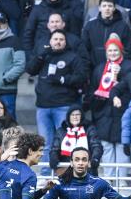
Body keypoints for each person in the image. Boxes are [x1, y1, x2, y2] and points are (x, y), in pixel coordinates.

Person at [26, 29, 87, 175]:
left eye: (61, 39)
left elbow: (81, 78)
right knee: (45, 144)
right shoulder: (44, 56)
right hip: (43, 107)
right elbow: (30, 70)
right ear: (50, 42)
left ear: (65, 42)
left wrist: (63, 79)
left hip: (63, 106)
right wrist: (40, 57)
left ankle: (67, 173)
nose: (58, 42)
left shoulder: (72, 57)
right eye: (55, 39)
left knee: (66, 142)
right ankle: (46, 174)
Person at [89, 33, 131, 185]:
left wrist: (117, 80)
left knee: (121, 147)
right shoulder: (99, 68)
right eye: (110, 51)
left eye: (115, 50)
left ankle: (122, 180)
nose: (113, 53)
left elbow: (130, 89)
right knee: (106, 148)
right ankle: (108, 179)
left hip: (122, 112)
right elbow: (93, 90)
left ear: (121, 51)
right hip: (104, 114)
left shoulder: (128, 66)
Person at [81, 0, 131, 69]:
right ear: (99, 8)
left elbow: (128, 48)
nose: (107, 8)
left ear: (114, 8)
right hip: (94, 67)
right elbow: (84, 47)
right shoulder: (90, 25)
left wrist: (122, 65)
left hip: (117, 67)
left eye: (110, 6)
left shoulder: (123, 26)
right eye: (104, 6)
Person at [51, 105, 103, 176]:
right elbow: (55, 148)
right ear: (68, 117)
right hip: (66, 168)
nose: (75, 117)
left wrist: (95, 159)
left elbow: (96, 146)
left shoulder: (89, 129)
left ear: (81, 116)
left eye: (77, 114)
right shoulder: (61, 131)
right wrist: (53, 158)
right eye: (72, 115)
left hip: (86, 168)